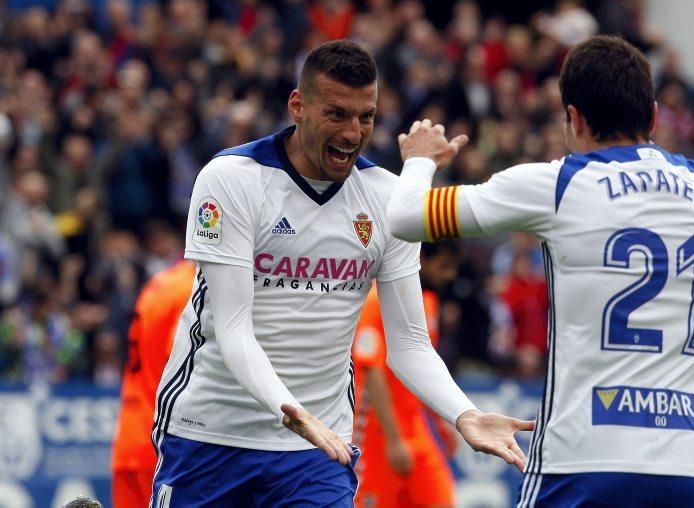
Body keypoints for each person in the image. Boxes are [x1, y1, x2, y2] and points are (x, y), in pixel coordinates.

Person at [386, 35, 694, 507]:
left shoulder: (558, 183)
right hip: (687, 465)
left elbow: (406, 218)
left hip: (584, 458)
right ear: (653, 115)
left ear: (572, 117)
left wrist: (419, 162)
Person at [150, 40, 533, 507]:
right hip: (210, 433)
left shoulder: (387, 199)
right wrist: (291, 411)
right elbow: (232, 329)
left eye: (366, 117)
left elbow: (410, 345)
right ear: (298, 106)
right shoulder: (232, 179)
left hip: (316, 450)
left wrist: (464, 413)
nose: (353, 133)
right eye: (337, 114)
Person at [353, 241, 461, 508]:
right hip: (376, 438)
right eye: (444, 266)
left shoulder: (429, 303)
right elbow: (371, 369)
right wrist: (393, 440)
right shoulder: (376, 302)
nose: (450, 275)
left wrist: (443, 420)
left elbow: (424, 372)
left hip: (416, 432)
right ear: (421, 258)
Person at [110, 260, 195, 508]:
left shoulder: (161, 281)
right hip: (161, 446)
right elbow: (183, 364)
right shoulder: (194, 288)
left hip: (128, 438)